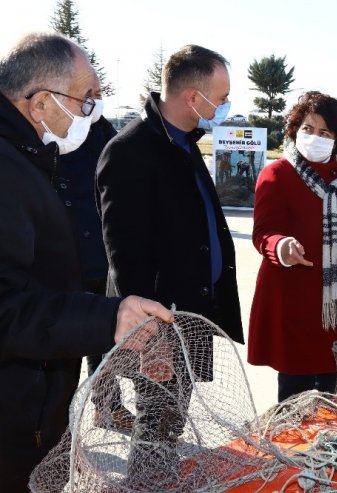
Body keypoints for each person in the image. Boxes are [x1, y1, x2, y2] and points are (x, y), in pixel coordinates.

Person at [0, 32, 172, 493]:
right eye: (87, 99)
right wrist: (106, 316)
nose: (93, 112)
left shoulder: (29, 157)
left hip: (35, 397)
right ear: (39, 104)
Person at [96, 45, 243, 484]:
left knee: (172, 417)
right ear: (193, 97)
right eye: (221, 96)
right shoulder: (130, 151)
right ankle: (145, 484)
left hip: (189, 312)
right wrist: (149, 336)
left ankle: (157, 478)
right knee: (157, 421)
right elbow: (125, 253)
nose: (225, 106)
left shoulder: (182, 142)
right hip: (159, 320)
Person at [248, 91, 337, 402]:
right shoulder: (277, 174)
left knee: (329, 388)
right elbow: (263, 232)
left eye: (325, 132)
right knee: (295, 395)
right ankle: (289, 450)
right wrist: (281, 246)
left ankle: (322, 448)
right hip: (294, 301)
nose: (315, 137)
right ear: (296, 129)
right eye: (308, 129)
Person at [55, 73, 132, 432]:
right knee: (62, 342)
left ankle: (107, 405)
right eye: (90, 94)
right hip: (60, 255)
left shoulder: (101, 130)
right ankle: (59, 423)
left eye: (101, 93)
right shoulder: (53, 128)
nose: (96, 101)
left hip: (101, 252)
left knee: (101, 337)